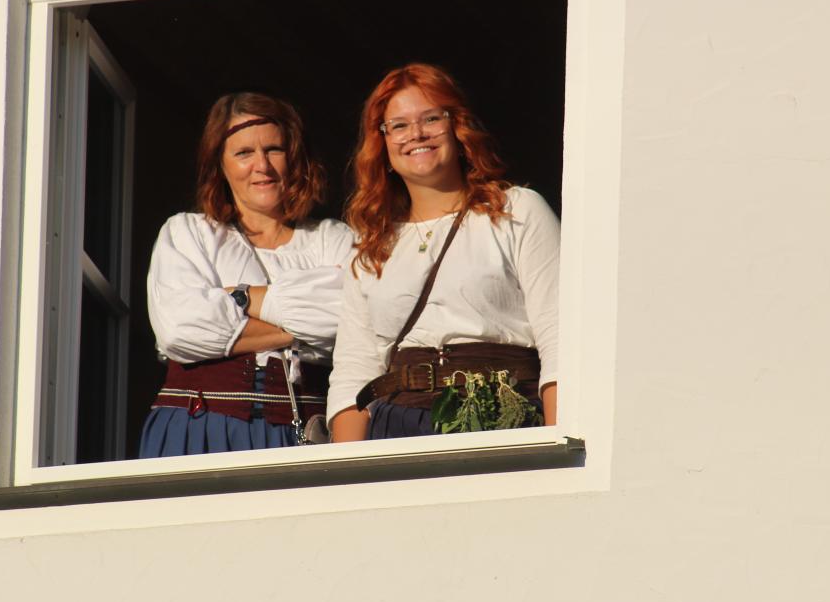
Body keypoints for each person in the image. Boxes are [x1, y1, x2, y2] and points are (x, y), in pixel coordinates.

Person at [328, 64, 560, 441]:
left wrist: (556, 445)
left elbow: (559, 337)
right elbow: (355, 368)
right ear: (382, 144)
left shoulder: (517, 210)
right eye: (398, 125)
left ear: (457, 126)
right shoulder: (374, 242)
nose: (416, 134)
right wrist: (343, 473)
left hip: (500, 414)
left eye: (431, 118)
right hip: (396, 424)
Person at [140, 92, 354, 456]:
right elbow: (179, 329)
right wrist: (298, 326)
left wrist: (239, 299)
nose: (262, 166)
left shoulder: (333, 239)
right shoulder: (189, 233)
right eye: (243, 153)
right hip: (200, 424)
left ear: (295, 157)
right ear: (219, 164)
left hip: (304, 430)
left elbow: (349, 322)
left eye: (274, 149)